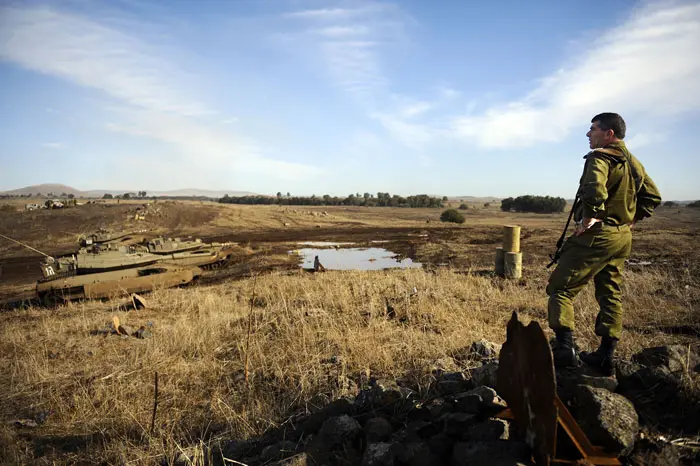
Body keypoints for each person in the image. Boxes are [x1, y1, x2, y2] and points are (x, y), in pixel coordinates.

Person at [547, 112, 661, 375]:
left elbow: (594, 188)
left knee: (561, 289)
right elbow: (653, 196)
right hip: (622, 237)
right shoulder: (634, 163)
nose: (589, 134)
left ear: (608, 134)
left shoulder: (600, 157)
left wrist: (591, 216)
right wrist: (632, 219)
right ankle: (605, 355)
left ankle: (564, 350)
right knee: (611, 292)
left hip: (598, 235)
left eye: (593, 129)